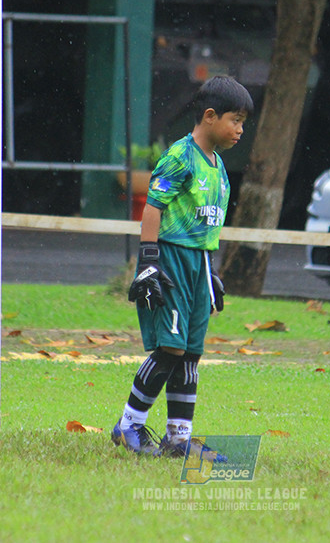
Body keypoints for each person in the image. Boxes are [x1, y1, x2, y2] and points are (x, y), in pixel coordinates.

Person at [111, 75, 253, 457]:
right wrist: (149, 263)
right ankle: (128, 426)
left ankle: (178, 438)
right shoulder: (180, 156)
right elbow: (152, 209)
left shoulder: (218, 166)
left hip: (199, 265)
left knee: (190, 353)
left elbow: (205, 225)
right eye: (235, 120)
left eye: (243, 122)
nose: (240, 129)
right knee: (170, 350)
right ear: (210, 116)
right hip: (170, 260)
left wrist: (212, 273)